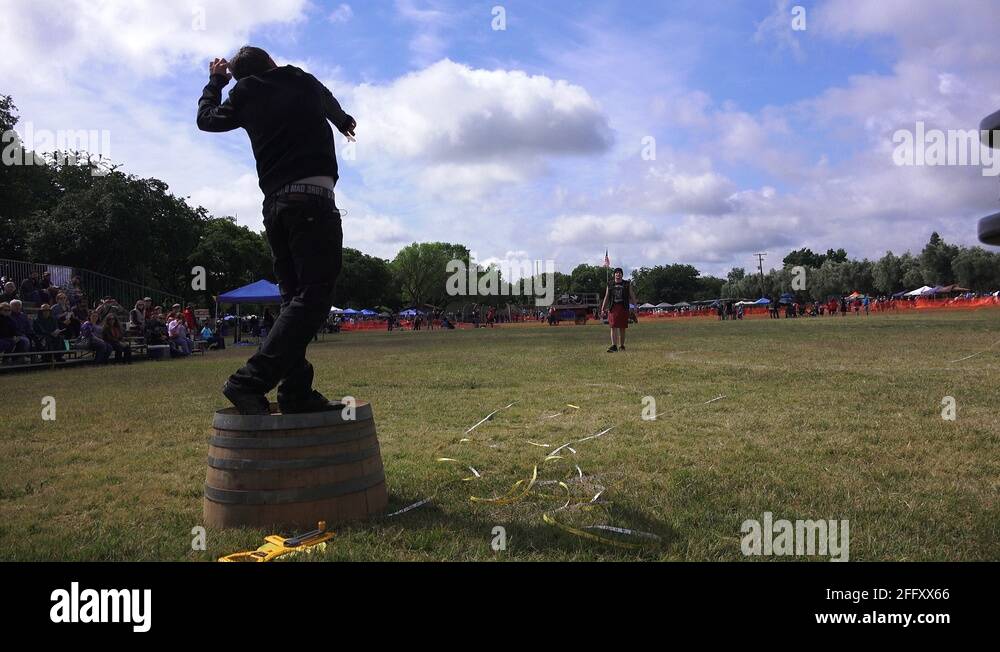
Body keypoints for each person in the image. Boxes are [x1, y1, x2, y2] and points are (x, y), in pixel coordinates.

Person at [198, 45, 356, 414]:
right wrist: (342, 119)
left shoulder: (243, 93)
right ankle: (248, 380)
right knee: (315, 296)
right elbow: (326, 96)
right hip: (312, 202)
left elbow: (207, 119)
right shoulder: (298, 78)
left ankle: (296, 391)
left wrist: (215, 82)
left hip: (276, 208)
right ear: (270, 62)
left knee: (292, 302)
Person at [600, 268, 638, 352]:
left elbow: (632, 295)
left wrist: (635, 306)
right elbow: (606, 297)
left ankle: (622, 346)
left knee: (622, 327)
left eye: (620, 273)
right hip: (613, 307)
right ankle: (614, 346)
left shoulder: (627, 284)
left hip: (623, 307)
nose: (618, 274)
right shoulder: (609, 284)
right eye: (616, 273)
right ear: (614, 275)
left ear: (622, 275)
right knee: (613, 326)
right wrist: (603, 308)